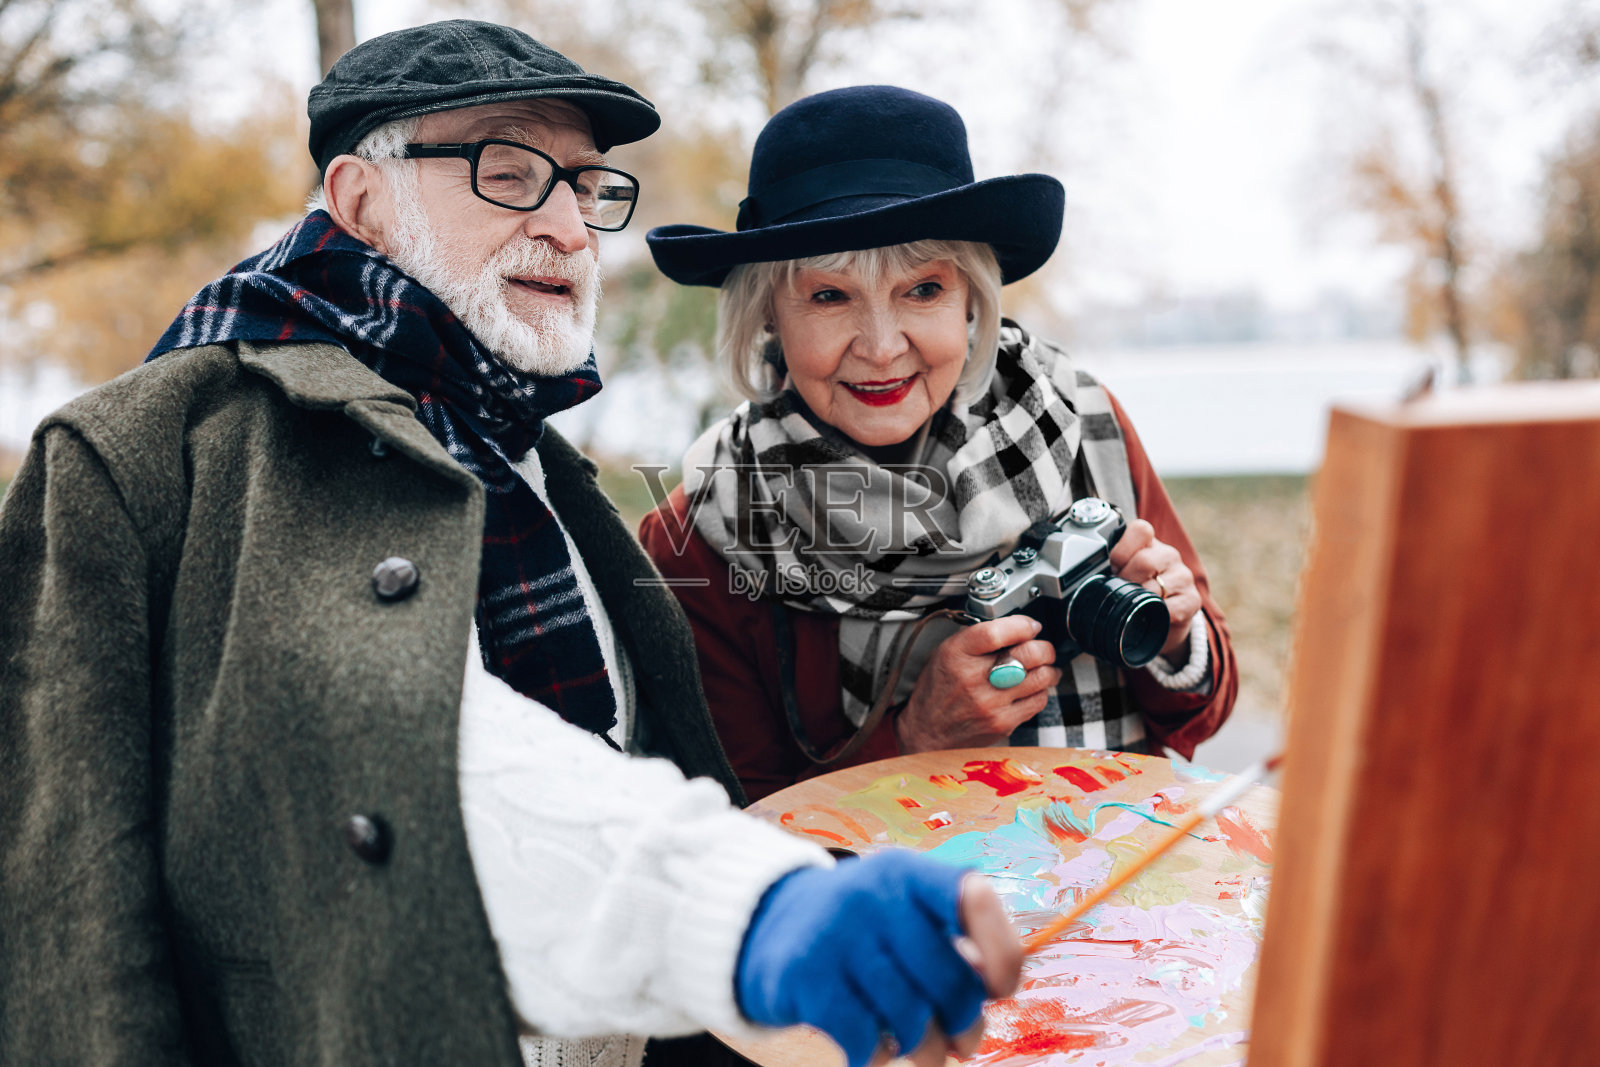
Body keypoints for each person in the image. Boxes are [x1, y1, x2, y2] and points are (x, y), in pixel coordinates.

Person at [0, 25, 1023, 1067]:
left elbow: (645, 763)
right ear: (360, 200)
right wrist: (748, 911)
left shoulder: (532, 458)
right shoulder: (161, 454)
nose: (572, 228)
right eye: (513, 173)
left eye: (585, 186)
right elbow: (75, 917)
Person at [639, 86, 1238, 804]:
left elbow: (1205, 705)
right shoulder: (701, 531)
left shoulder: (1081, 418)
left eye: (922, 290)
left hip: (1123, 884)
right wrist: (916, 741)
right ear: (768, 312)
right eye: (829, 297)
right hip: (897, 914)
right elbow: (736, 825)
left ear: (971, 299)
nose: (884, 347)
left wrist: (1172, 636)